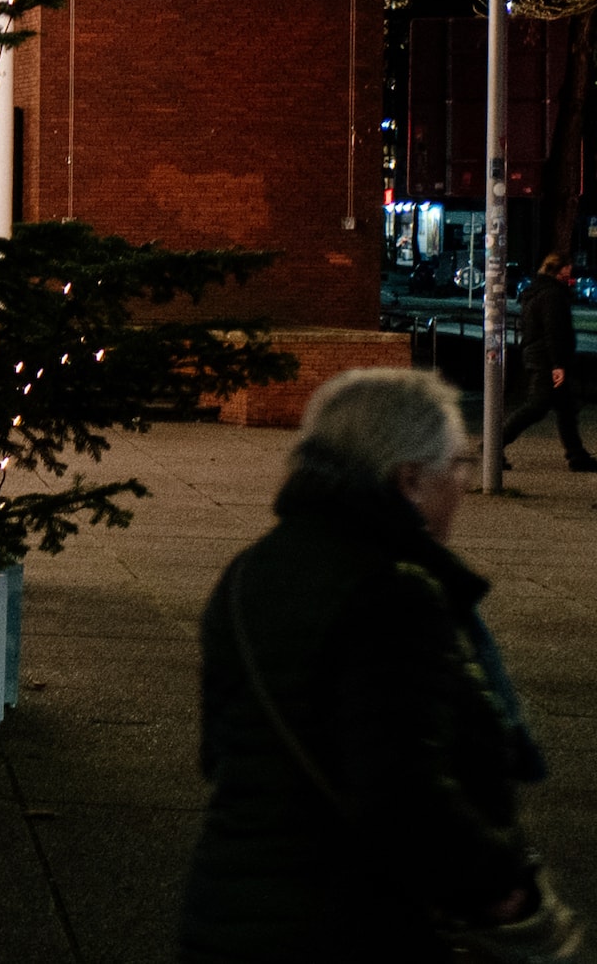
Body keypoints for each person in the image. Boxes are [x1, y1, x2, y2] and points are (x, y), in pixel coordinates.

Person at [181, 364, 577, 961]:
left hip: (231, 908)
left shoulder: (251, 572)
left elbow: (221, 752)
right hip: (350, 923)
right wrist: (504, 889)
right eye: (457, 464)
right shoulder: (392, 594)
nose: (464, 482)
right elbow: (402, 789)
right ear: (409, 480)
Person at [499, 261, 592, 472]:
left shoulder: (537, 292)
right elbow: (553, 331)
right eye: (566, 270)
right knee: (537, 406)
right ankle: (494, 445)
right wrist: (557, 364)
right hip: (545, 358)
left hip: (538, 353)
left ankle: (577, 455)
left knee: (566, 409)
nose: (570, 274)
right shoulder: (552, 295)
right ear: (555, 271)